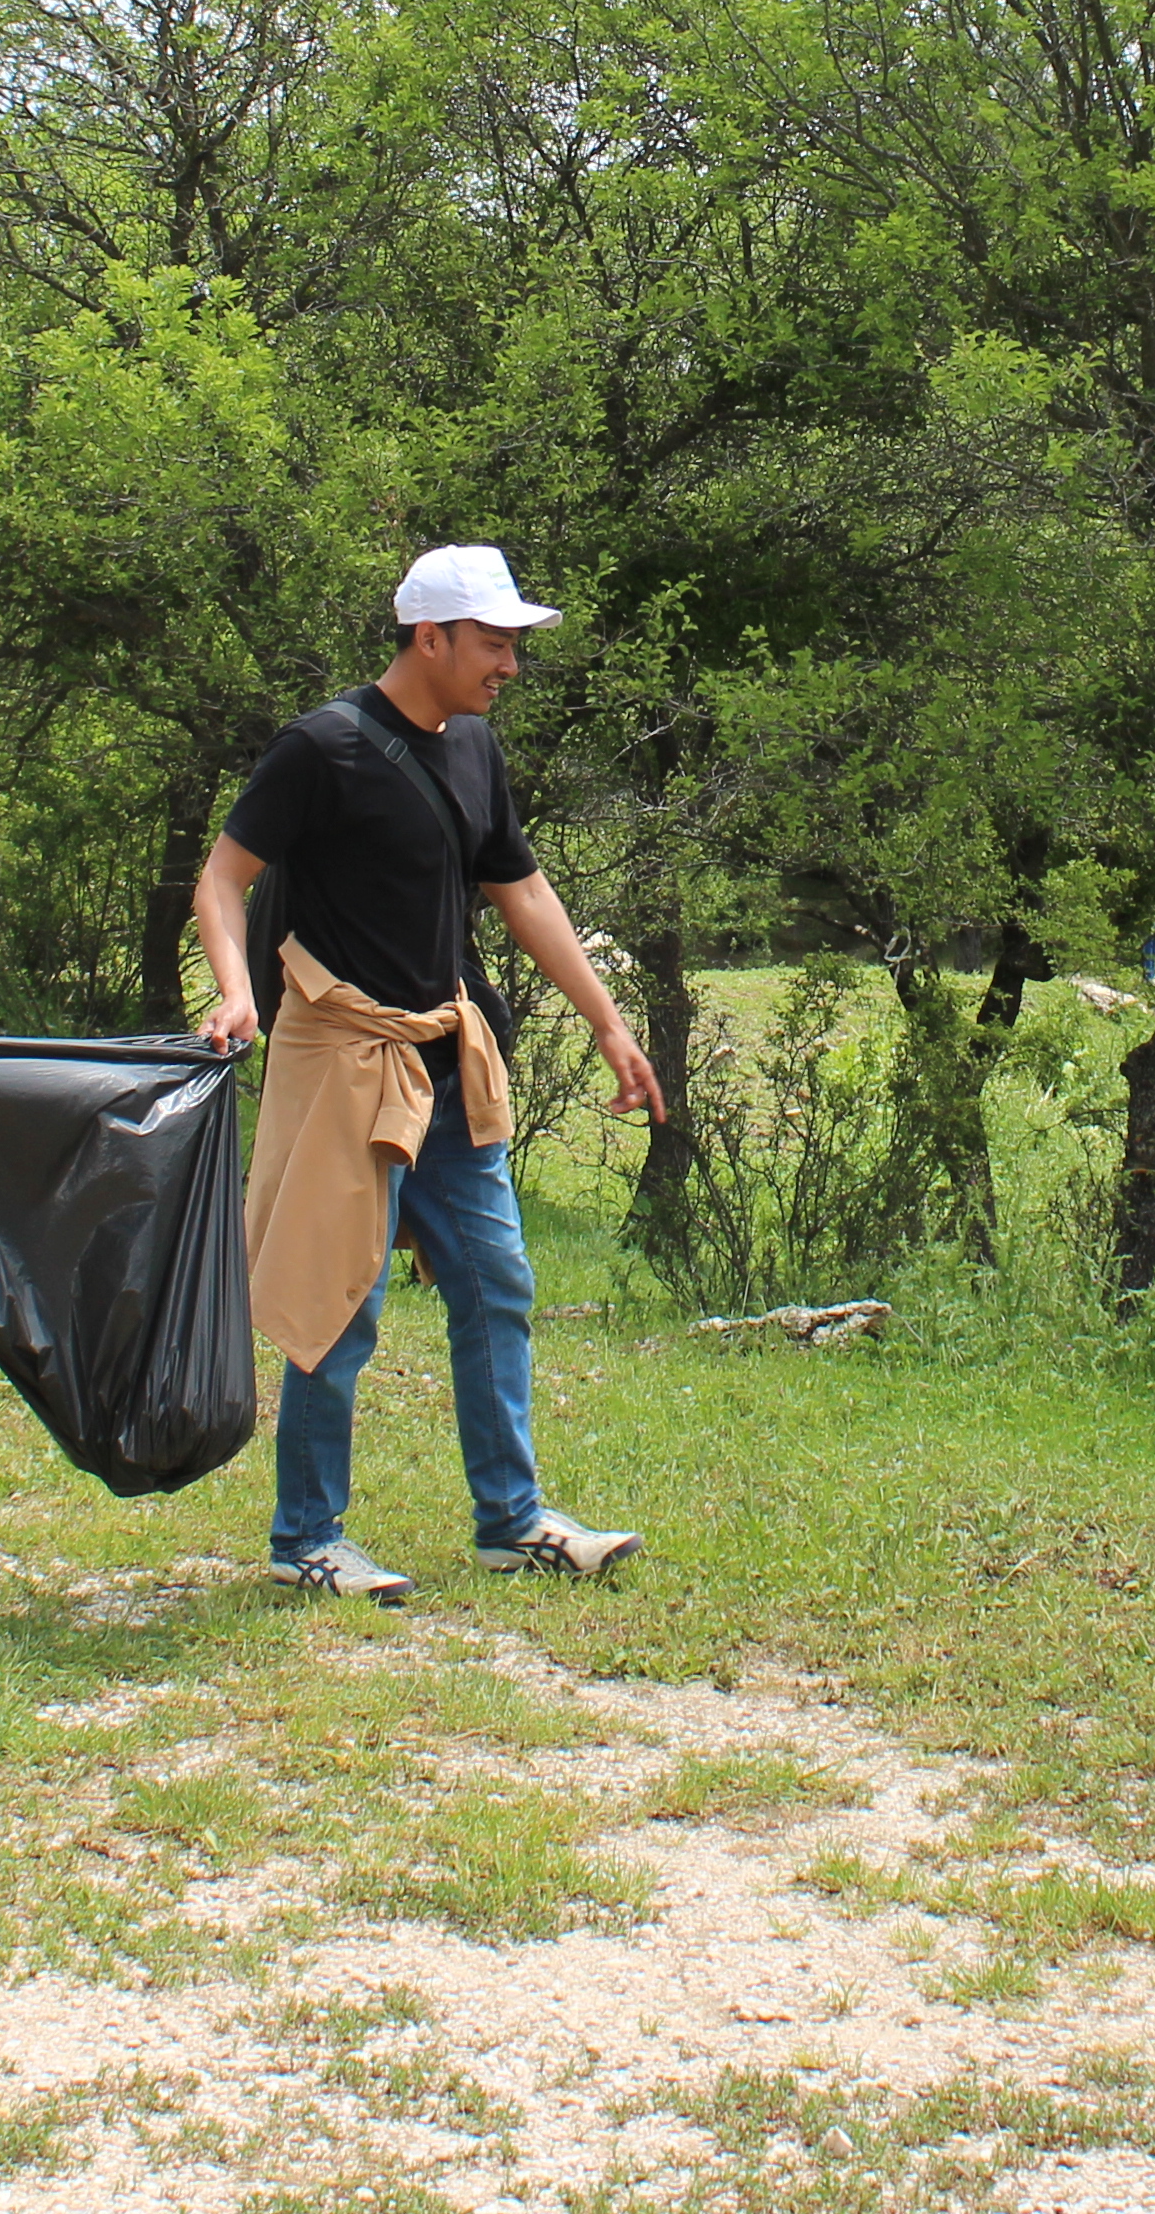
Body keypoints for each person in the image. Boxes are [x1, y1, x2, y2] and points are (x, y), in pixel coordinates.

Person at [191, 542, 662, 1606]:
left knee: (498, 1285)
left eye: (512, 644)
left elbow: (523, 892)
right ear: (429, 636)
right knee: (337, 1297)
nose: (509, 665)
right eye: (493, 643)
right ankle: (306, 1541)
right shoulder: (325, 747)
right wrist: (236, 993)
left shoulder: (474, 752)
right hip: (342, 1062)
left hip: (452, 1061)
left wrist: (608, 1023)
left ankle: (513, 1525)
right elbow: (222, 881)